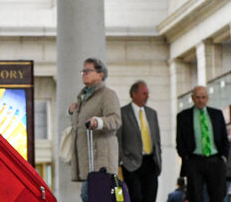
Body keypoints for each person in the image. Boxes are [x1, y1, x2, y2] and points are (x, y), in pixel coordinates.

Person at [67, 57, 122, 202]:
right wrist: (73, 113)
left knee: (93, 195)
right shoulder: (83, 98)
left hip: (100, 159)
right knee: (88, 195)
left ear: (100, 74)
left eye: (88, 70)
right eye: (83, 71)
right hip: (87, 159)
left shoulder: (108, 95)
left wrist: (99, 122)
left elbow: (116, 120)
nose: (84, 74)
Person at [176, 86, 230, 202]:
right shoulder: (183, 116)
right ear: (192, 98)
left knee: (217, 196)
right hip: (194, 161)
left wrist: (224, 157)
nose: (201, 100)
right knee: (195, 196)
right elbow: (179, 141)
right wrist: (186, 159)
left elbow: (224, 137)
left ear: (207, 98)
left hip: (215, 160)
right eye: (198, 97)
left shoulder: (217, 114)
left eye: (203, 97)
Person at [118, 80, 162, 202]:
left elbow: (157, 140)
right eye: (144, 93)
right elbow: (118, 140)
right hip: (131, 164)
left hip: (151, 163)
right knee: (135, 197)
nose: (147, 96)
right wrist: (123, 160)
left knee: (150, 197)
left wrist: (159, 160)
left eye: (147, 93)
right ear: (134, 94)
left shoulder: (152, 113)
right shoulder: (122, 113)